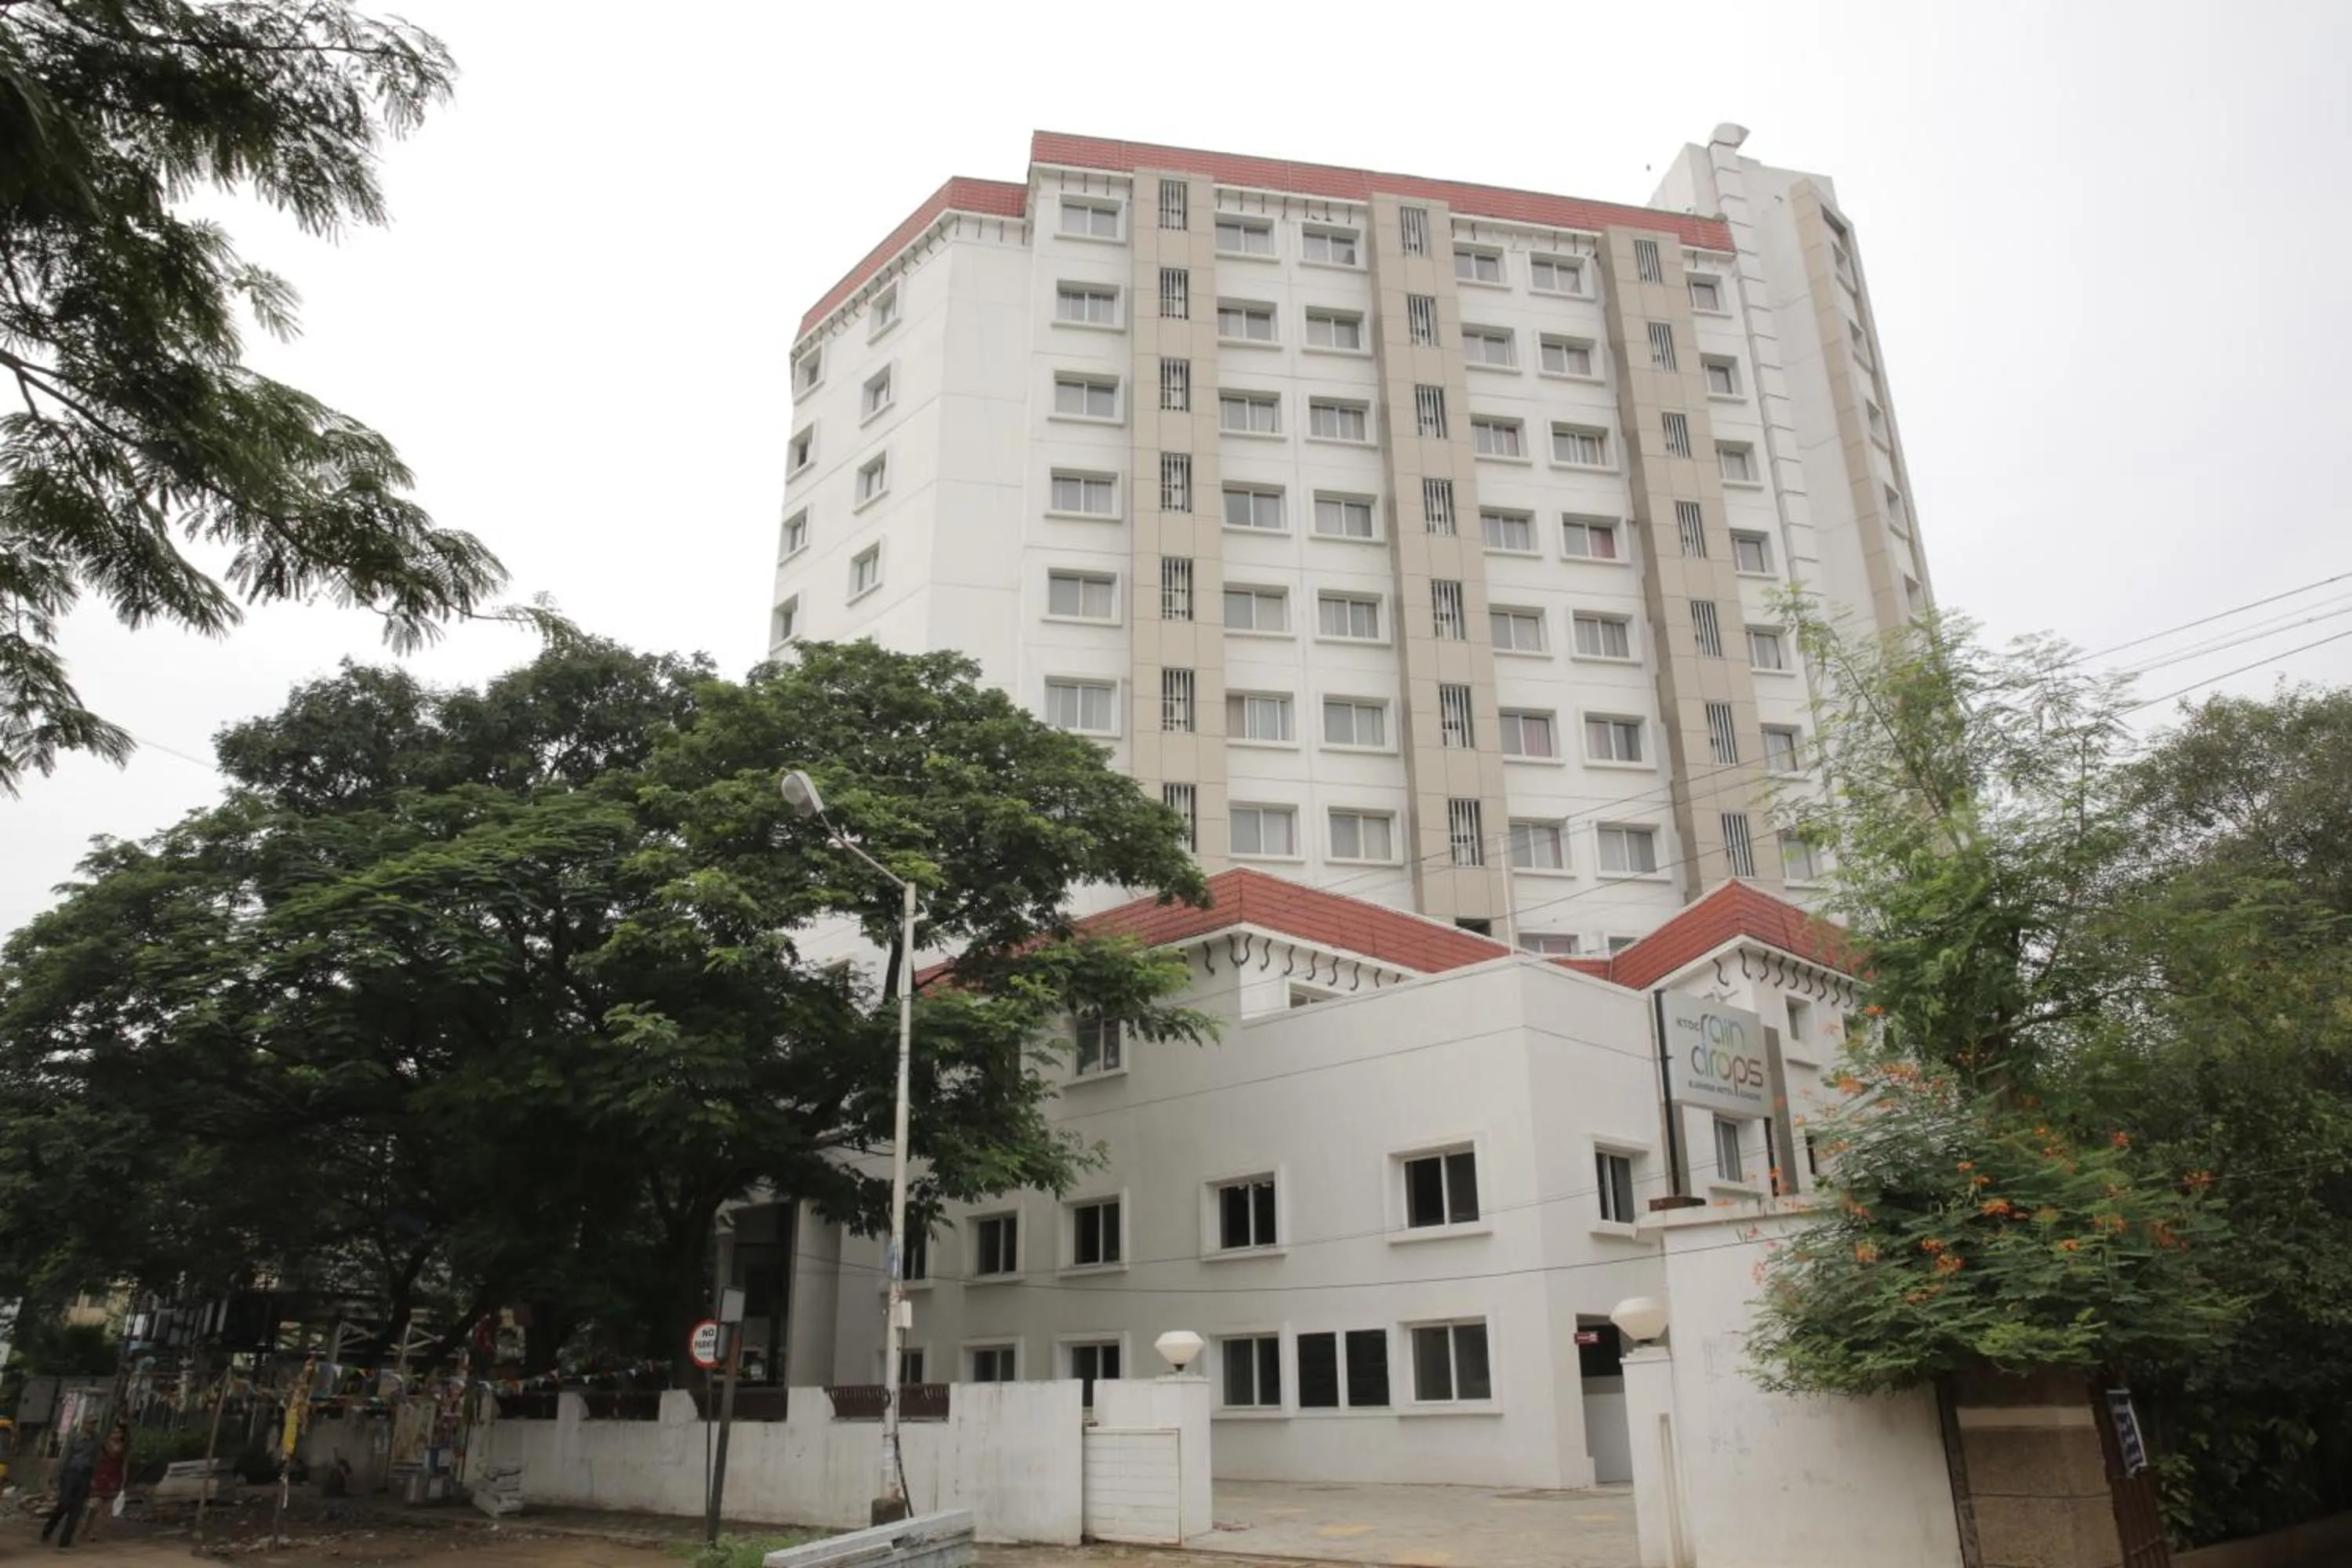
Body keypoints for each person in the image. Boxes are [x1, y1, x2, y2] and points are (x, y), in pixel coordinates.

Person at [38, 1417, 98, 1548]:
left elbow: (95, 1459)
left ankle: (65, 1541)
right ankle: (48, 1530)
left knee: (77, 1510)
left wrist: (93, 1478)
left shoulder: (96, 1440)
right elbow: (64, 1457)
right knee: (63, 1504)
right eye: (90, 1423)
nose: (92, 1426)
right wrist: (57, 1477)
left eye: (94, 1424)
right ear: (84, 1424)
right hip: (71, 1474)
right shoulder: (74, 1438)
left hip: (85, 1476)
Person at [80, 1425, 129, 1542]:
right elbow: (93, 1461)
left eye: (119, 1432)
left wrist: (124, 1480)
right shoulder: (101, 1446)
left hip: (114, 1479)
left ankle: (94, 1532)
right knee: (94, 1506)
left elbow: (125, 1464)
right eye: (114, 1432)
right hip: (99, 1478)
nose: (116, 1435)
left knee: (106, 1509)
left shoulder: (125, 1448)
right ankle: (86, 1528)